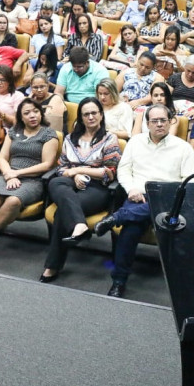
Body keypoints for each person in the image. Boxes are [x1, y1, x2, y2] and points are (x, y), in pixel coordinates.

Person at [93, 103, 194, 298]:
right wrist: (131, 188)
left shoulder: (183, 148)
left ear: (170, 122)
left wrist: (169, 196)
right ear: (147, 123)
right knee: (130, 232)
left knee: (132, 219)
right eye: (154, 121)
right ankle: (119, 281)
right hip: (137, 196)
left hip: (167, 201)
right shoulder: (135, 142)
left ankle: (114, 218)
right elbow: (124, 170)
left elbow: (191, 183)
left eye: (163, 120)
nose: (159, 124)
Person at [0, 98, 59, 265]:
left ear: (41, 114)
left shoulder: (49, 134)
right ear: (21, 117)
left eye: (35, 111)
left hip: (33, 179)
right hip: (8, 175)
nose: (32, 116)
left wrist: (17, 173)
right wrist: (8, 173)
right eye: (27, 113)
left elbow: (47, 164)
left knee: (13, 201)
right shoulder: (14, 131)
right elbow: (3, 157)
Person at [39, 96, 122, 282]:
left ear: (101, 115)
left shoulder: (110, 139)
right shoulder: (70, 139)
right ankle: (79, 225)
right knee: (55, 182)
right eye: (86, 114)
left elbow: (110, 172)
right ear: (81, 118)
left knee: (62, 211)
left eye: (94, 113)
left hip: (98, 188)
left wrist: (78, 169)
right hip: (70, 183)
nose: (91, 117)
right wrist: (74, 175)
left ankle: (52, 266)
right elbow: (61, 168)